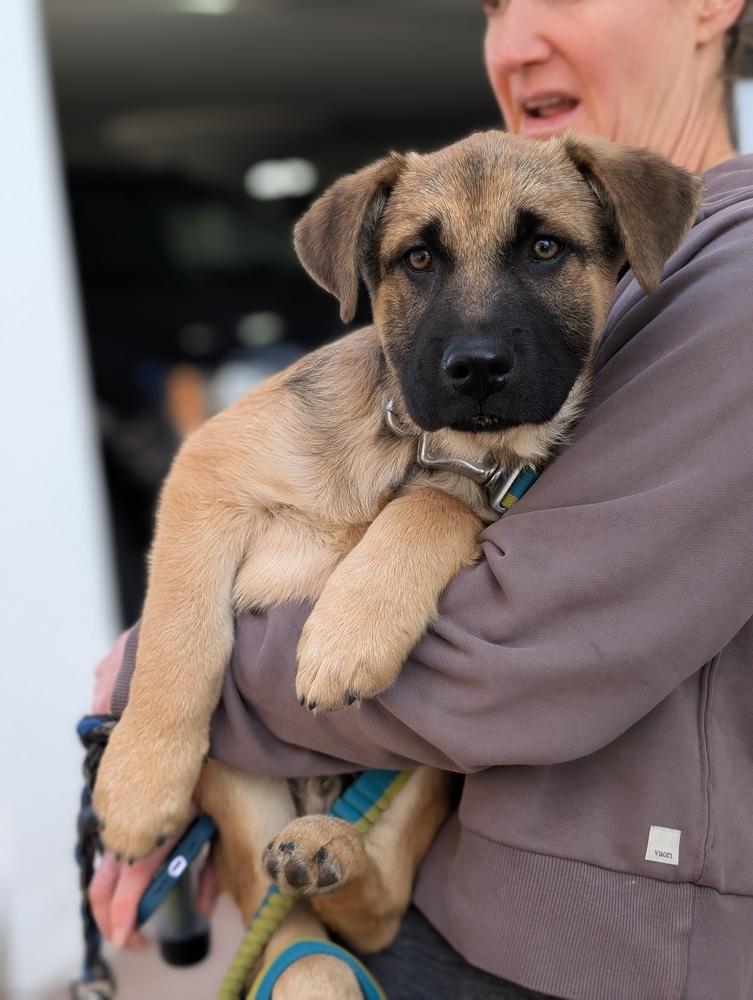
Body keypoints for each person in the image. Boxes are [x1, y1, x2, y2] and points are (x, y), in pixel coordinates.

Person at [90, 1, 753, 996]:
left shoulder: (721, 277)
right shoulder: (622, 275)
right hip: (453, 907)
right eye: (493, 4)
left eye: (541, 251)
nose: (516, 39)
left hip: (590, 959)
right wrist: (165, 710)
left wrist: (174, 681)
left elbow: (517, 652)